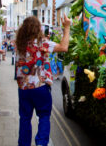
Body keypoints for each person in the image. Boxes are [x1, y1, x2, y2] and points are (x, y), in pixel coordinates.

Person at [15, 14, 71, 146]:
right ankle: (41, 143)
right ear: (37, 29)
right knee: (44, 116)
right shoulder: (42, 43)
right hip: (40, 87)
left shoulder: (19, 45)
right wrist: (67, 27)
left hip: (24, 89)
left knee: (24, 118)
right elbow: (64, 47)